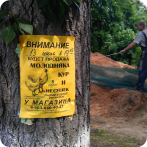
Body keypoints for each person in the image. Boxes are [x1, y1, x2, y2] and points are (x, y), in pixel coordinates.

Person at [119, 20, 147, 92]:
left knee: (142, 70)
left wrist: (124, 50)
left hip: (145, 54)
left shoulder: (141, 34)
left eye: (137, 25)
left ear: (141, 26)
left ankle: (140, 87)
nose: (137, 27)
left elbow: (134, 44)